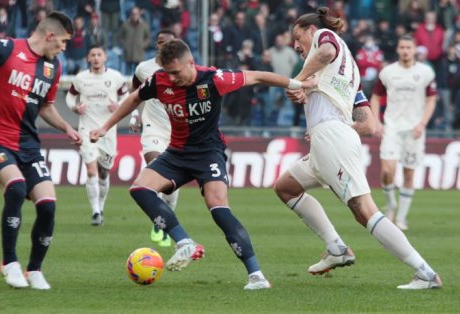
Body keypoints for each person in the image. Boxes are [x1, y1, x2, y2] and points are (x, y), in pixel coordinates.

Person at [90, 39, 306, 290]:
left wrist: (297, 84)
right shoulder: (160, 81)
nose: (171, 78)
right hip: (177, 153)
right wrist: (105, 126)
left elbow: (258, 76)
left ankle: (256, 275)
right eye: (167, 72)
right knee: (140, 188)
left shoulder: (214, 78)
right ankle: (184, 243)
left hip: (208, 154)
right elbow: (134, 97)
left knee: (218, 207)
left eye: (176, 72)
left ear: (190, 63)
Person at [276, 7, 441, 290]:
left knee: (364, 210)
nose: (295, 44)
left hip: (331, 139)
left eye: (297, 36)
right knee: (286, 187)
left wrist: (298, 81)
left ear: (312, 31)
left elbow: (325, 52)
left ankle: (425, 272)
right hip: (327, 140)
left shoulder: (326, 38)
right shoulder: (349, 71)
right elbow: (369, 125)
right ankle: (336, 248)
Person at [0, 11, 82, 290]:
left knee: (48, 206)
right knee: (17, 187)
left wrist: (67, 129)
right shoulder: (6, 48)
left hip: (28, 145)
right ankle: (10, 263)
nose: (64, 47)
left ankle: (34, 270)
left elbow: (45, 106)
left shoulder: (53, 67)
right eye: (62, 41)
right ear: (49, 36)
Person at [370, 35, 437, 231]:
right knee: (386, 171)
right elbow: (375, 97)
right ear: (398, 50)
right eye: (402, 47)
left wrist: (422, 123)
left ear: (415, 49)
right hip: (392, 127)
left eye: (409, 47)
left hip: (414, 130)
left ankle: (401, 217)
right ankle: (391, 204)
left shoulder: (425, 73)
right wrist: (377, 121)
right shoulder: (388, 72)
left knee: (409, 172)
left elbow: (431, 100)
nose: (405, 51)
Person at [66, 46, 128, 226]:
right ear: (88, 58)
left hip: (108, 131)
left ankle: (100, 207)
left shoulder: (115, 77)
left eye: (99, 55)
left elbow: (127, 97)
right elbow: (70, 97)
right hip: (86, 129)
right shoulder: (81, 78)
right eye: (92, 54)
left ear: (105, 58)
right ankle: (95, 211)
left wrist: (118, 105)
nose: (95, 58)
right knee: (91, 170)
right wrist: (75, 108)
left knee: (104, 172)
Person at [130, 29, 178, 247]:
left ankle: (164, 222)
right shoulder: (144, 68)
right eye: (159, 42)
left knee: (170, 185)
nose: (163, 46)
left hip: (177, 131)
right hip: (153, 128)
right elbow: (134, 90)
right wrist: (133, 114)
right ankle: (161, 220)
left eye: (167, 43)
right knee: (157, 167)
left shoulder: (182, 69)